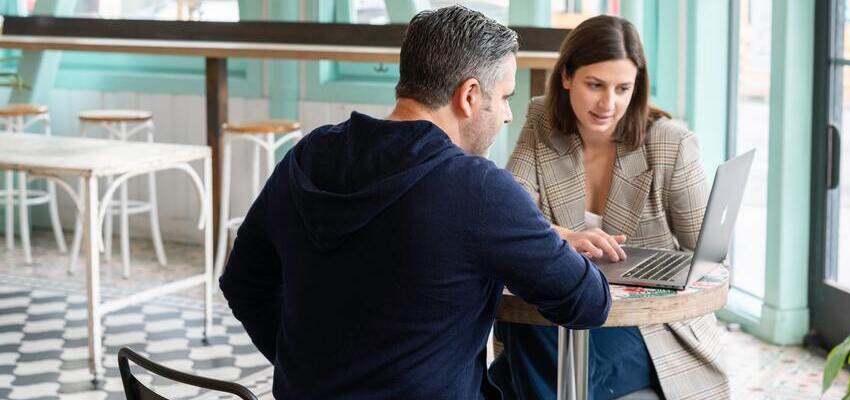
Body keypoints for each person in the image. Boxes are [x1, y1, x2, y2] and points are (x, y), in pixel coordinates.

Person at [218, 5, 612, 399]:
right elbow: (589, 302)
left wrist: (305, 372)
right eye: (506, 96)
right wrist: (544, 239)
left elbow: (242, 282)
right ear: (470, 96)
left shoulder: (308, 155)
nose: (508, 115)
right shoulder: (478, 189)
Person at [490, 15, 729, 400]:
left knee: (516, 365)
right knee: (534, 328)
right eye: (595, 85)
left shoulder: (670, 144)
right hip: (562, 309)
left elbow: (710, 259)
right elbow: (507, 218)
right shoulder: (541, 120)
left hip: (647, 328)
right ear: (566, 76)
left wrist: (647, 284)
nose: (609, 103)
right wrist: (565, 238)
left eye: (623, 88)